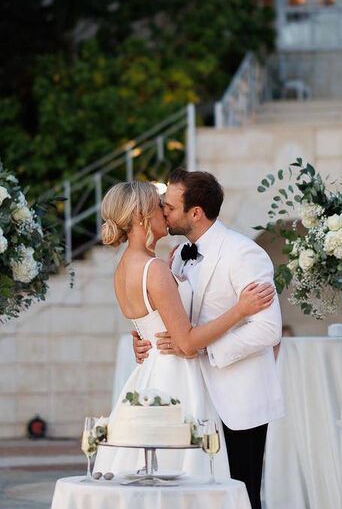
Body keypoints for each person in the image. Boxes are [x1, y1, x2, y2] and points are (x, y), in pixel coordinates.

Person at [133, 168, 284, 509]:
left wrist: (203, 349)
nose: (163, 211)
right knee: (203, 499)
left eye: (169, 206)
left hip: (237, 397)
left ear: (195, 212)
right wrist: (146, 341)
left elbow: (269, 329)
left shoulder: (243, 252)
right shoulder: (176, 257)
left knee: (243, 495)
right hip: (191, 394)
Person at [99, 179, 275, 480]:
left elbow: (150, 320)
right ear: (143, 216)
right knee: (187, 473)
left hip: (155, 375)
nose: (164, 214)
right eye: (159, 207)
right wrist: (241, 310)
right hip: (178, 378)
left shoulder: (131, 267)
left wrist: (144, 338)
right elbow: (187, 342)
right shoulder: (154, 268)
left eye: (168, 207)